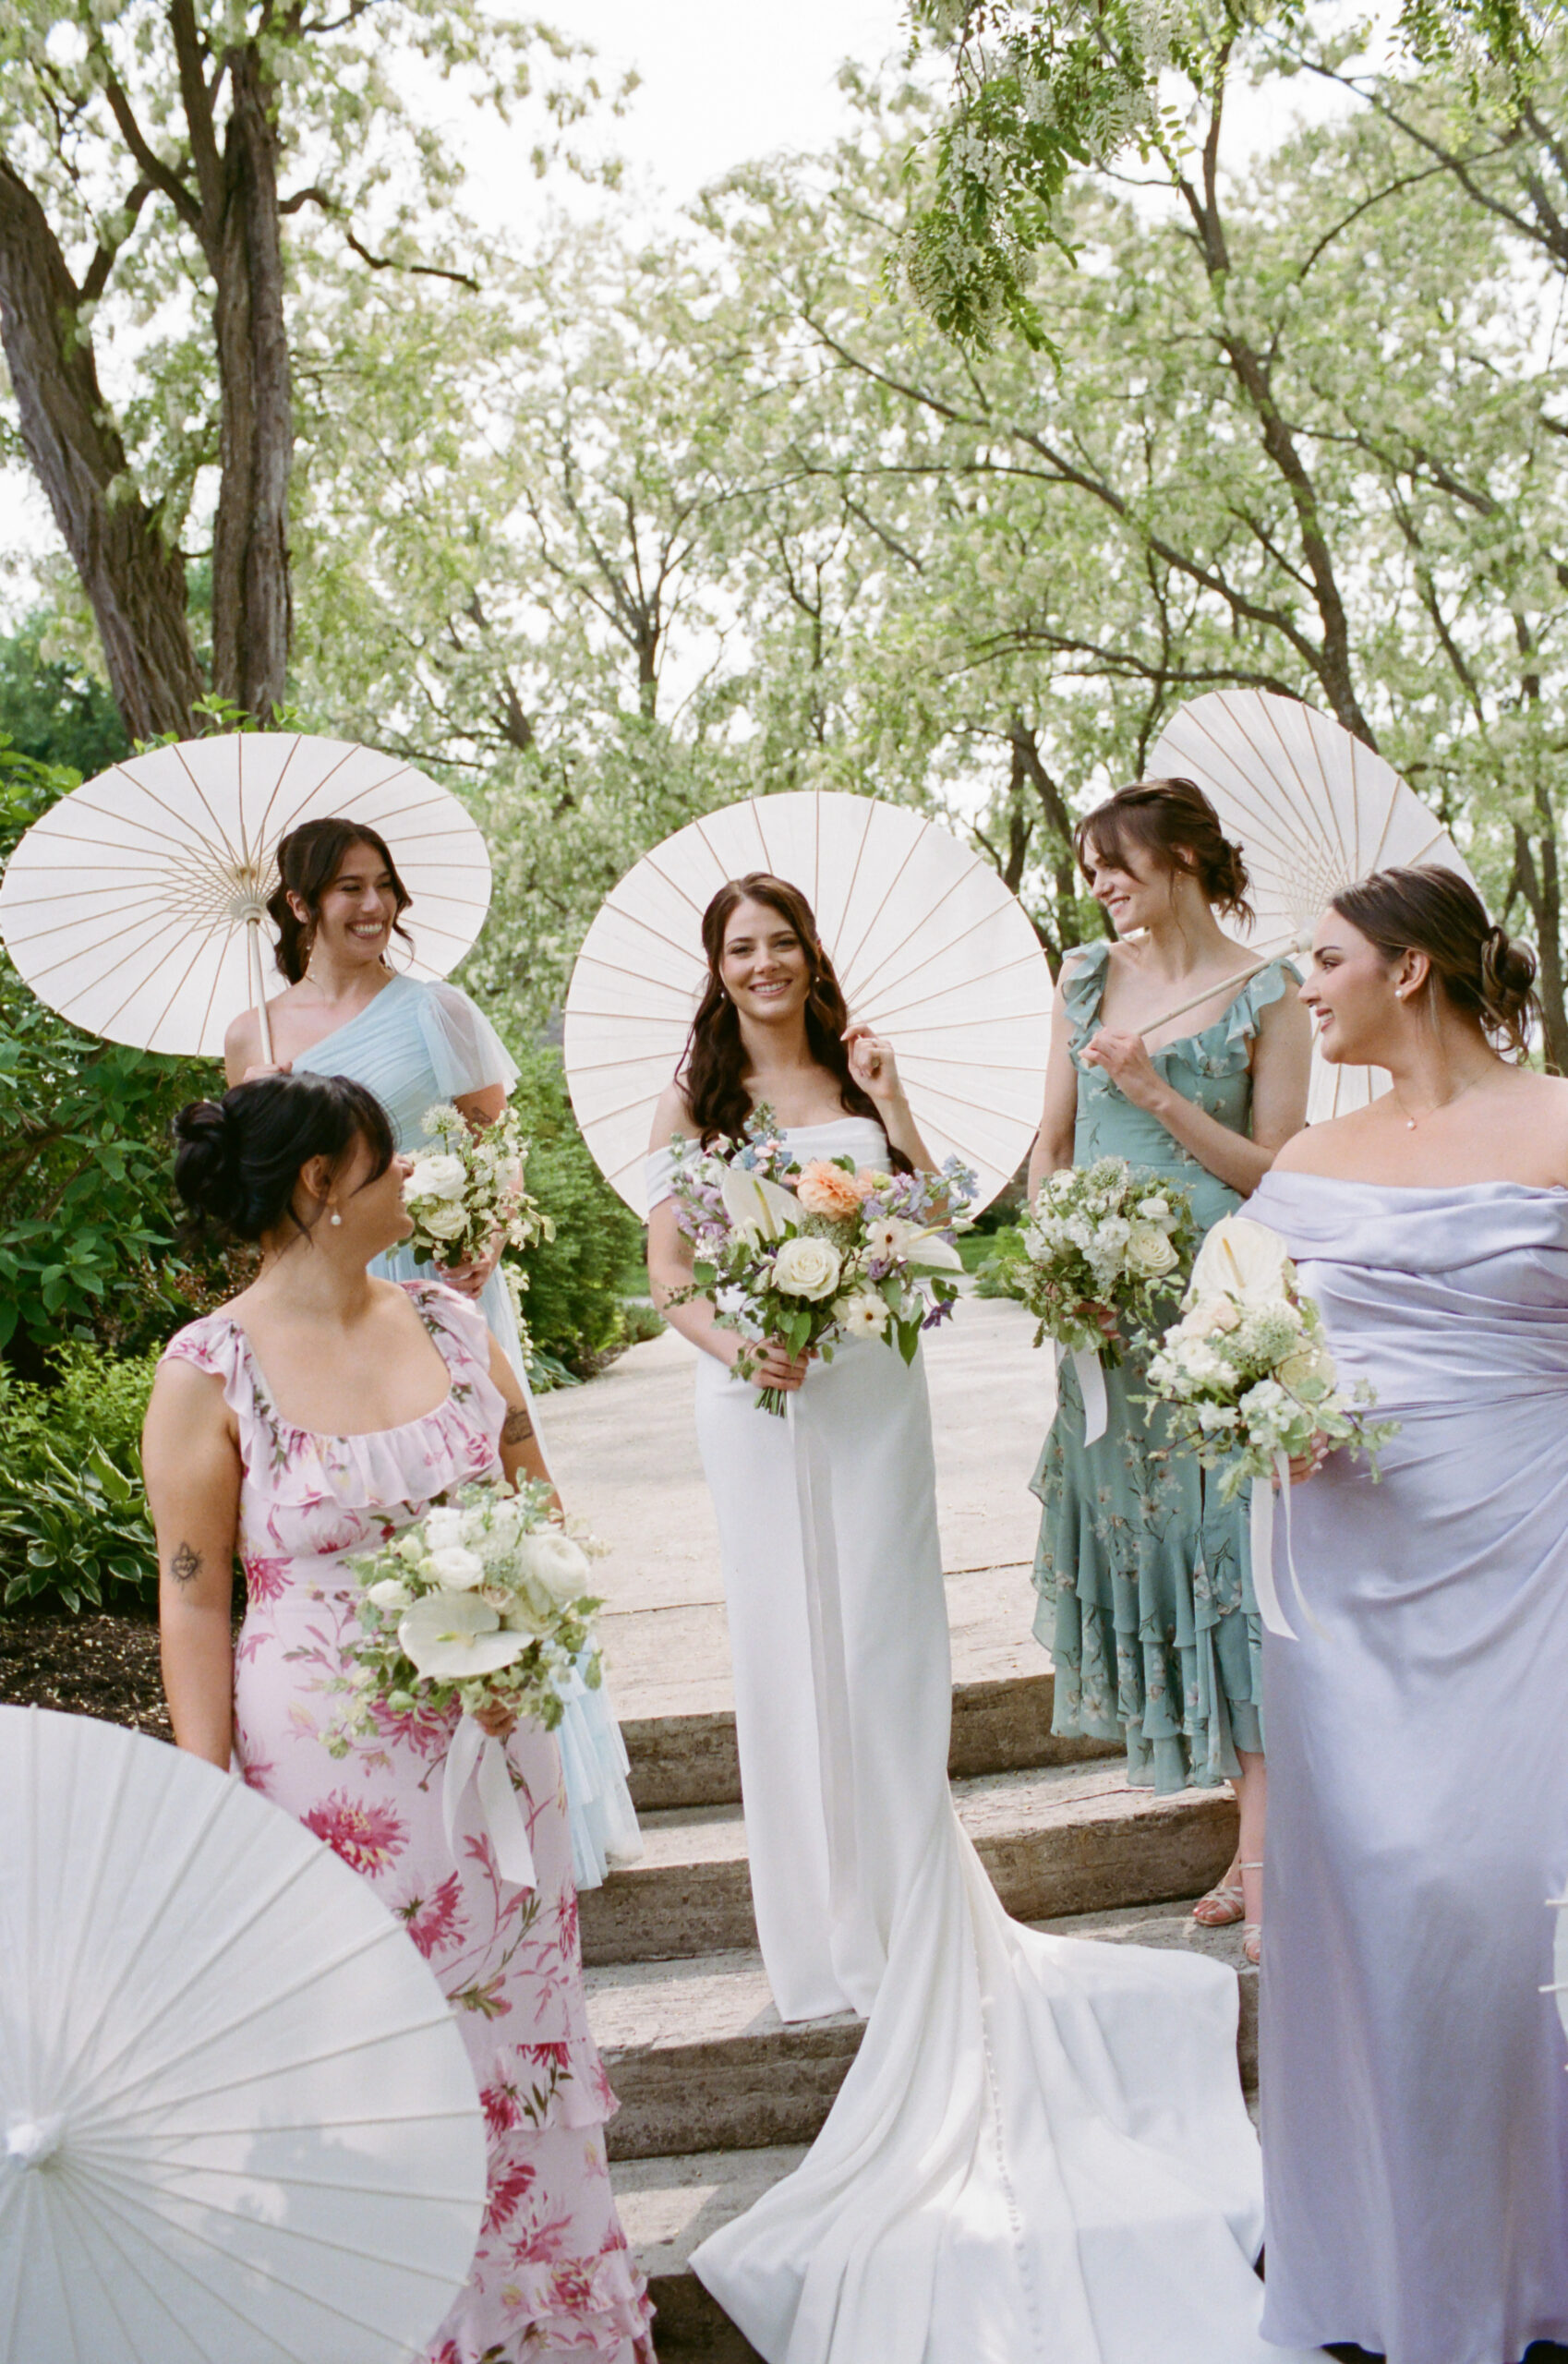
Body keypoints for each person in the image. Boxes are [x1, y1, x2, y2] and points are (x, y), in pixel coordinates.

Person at [645, 872, 1315, 2364]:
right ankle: (812, 1929)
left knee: (883, 1641)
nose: (760, 965)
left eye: (779, 943)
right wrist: (738, 1341)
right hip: (753, 1400)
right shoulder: (691, 1103)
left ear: (810, 956)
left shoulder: (857, 1066)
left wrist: (892, 1110)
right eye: (737, 948)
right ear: (716, 969)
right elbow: (669, 1277)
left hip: (873, 1385)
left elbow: (937, 1216)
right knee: (781, 1646)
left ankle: (899, 1897)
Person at [142, 1071, 656, 2364]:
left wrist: (528, 1607)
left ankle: (547, 2331)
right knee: (374, 2060)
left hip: (496, 1755)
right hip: (333, 1788)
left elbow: (533, 1489)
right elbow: (195, 1595)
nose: (412, 1180)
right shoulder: (209, 1373)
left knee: (517, 2045)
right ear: (319, 1186)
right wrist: (206, 1797)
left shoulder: (446, 1317)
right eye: (386, 1163)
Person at [1244, 865, 1568, 2364]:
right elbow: (1253, 1347)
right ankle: (1378, 2257)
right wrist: (1261, 1415)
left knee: (1502, 1902)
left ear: (1411, 970)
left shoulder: (1559, 1122)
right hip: (1343, 1580)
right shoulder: (1307, 1153)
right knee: (1377, 1901)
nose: (1302, 986)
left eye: (1323, 958)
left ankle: (1530, 2257)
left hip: (1521, 1554)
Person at [225, 816, 640, 1891]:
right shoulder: (251, 1035)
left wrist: (482, 1235)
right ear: (300, 905)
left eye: (384, 887)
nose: (375, 907)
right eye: (348, 889)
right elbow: (254, 1193)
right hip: (322, 1299)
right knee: (366, 1526)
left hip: (437, 1287)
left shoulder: (436, 1010)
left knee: (482, 1517)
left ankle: (538, 1770)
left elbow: (497, 1137)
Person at [1028, 779, 1310, 1962]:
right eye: (1091, 866)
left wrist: (1152, 1088)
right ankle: (1257, 1835)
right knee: (1163, 1559)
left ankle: (1264, 1859)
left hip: (1220, 1318)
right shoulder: (1083, 979)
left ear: (1187, 856)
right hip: (1106, 1326)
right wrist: (1056, 1263)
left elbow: (1279, 1173)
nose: (1100, 883)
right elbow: (1050, 1147)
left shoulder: (1271, 992)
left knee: (1235, 1562)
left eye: (1119, 861)